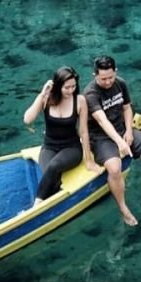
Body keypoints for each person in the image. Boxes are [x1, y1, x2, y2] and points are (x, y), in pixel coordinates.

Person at [84, 55, 141, 226]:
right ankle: (124, 209)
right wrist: (120, 142)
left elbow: (126, 108)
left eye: (111, 77)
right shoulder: (90, 94)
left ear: (115, 72)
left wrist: (129, 131)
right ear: (94, 75)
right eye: (103, 79)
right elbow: (102, 121)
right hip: (100, 136)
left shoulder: (121, 83)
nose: (108, 82)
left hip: (121, 128)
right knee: (114, 168)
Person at [22, 66, 99, 206]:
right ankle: (56, 202)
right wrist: (42, 94)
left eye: (73, 86)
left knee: (53, 166)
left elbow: (83, 131)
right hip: (49, 146)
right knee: (50, 174)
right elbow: (27, 119)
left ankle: (37, 205)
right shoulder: (46, 99)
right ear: (58, 86)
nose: (71, 91)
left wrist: (89, 160)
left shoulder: (80, 100)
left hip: (72, 148)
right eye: (67, 87)